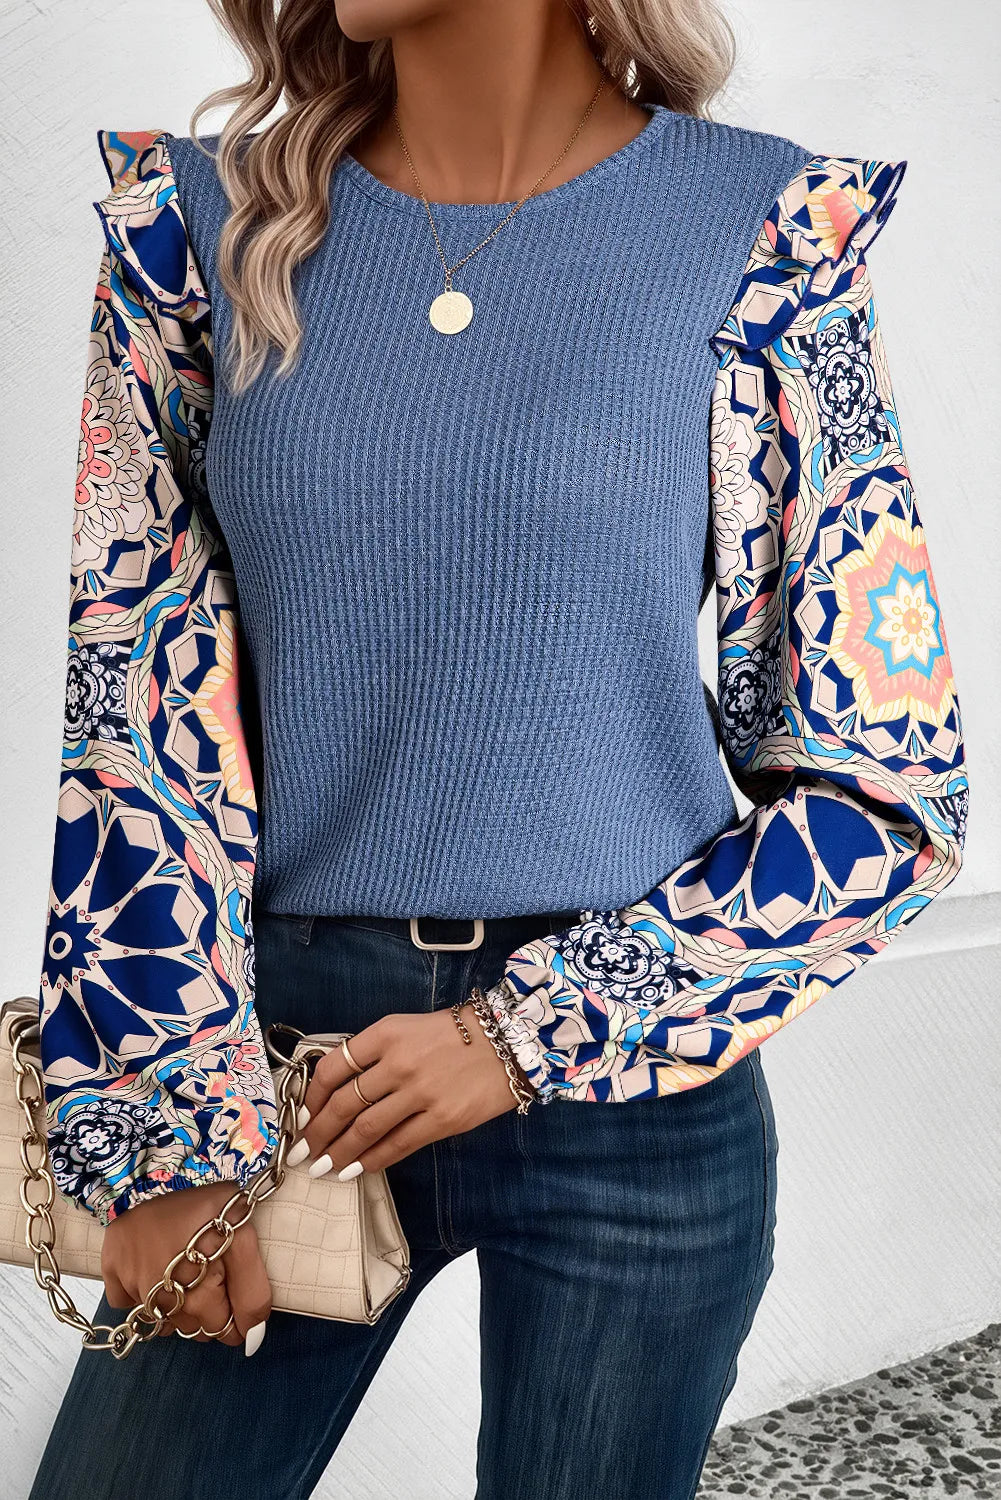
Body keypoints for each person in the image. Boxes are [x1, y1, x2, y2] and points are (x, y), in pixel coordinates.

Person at [28, 1, 968, 1497]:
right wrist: (161, 1130)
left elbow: (888, 782)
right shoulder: (198, 233)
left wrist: (528, 1033)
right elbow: (136, 715)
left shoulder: (762, 234)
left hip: (635, 1097)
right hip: (274, 1074)